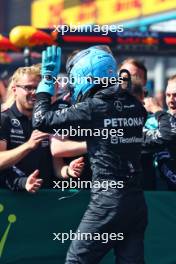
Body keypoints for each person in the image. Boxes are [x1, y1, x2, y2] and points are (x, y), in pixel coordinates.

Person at [32, 45, 148, 264]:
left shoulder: (94, 107)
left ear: (88, 75)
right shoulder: (134, 104)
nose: (74, 86)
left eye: (75, 79)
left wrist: (47, 80)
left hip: (108, 199)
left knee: (76, 261)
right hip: (136, 201)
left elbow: (41, 120)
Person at [0, 65, 84, 192]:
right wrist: (29, 145)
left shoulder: (47, 119)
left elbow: (57, 168)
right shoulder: (4, 118)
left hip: (44, 198)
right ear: (14, 89)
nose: (34, 92)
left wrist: (68, 171)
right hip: (11, 198)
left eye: (38, 88)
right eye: (28, 87)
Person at [144, 74, 176, 190]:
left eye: (175, 95)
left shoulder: (160, 115)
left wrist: (157, 110)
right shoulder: (151, 121)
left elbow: (171, 133)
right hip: (159, 196)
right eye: (168, 95)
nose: (171, 100)